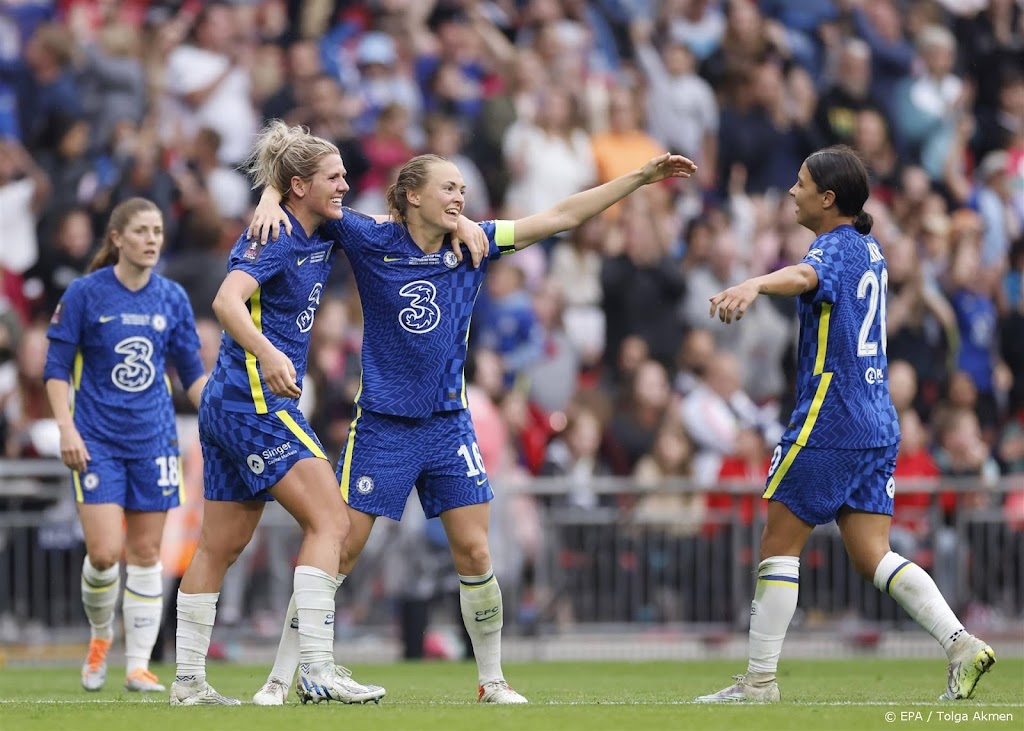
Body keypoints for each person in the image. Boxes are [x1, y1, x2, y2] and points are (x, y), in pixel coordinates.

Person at [247, 144, 696, 704]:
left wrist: (639, 176)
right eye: (448, 188)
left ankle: (492, 680)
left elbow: (560, 217)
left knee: (476, 555)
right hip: (383, 427)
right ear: (412, 196)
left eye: (463, 188)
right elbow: (308, 190)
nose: (461, 196)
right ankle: (281, 677)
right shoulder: (367, 237)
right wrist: (268, 192)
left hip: (448, 426)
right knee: (337, 553)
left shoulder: (475, 245)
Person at [170, 122, 485, 707]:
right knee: (332, 523)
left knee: (220, 546)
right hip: (255, 402)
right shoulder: (279, 235)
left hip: (229, 404)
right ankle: (317, 669)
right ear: (300, 185)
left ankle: (187, 683)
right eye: (334, 177)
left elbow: (391, 223)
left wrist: (460, 217)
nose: (346, 185)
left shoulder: (316, 227)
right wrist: (265, 353)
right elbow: (224, 300)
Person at [695, 145, 996, 704]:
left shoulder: (832, 247)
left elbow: (807, 275)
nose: (791, 190)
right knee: (871, 553)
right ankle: (960, 644)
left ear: (827, 199)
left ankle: (759, 682)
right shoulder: (871, 248)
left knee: (778, 544)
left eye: (801, 182)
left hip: (830, 417)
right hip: (877, 419)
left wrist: (755, 283)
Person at [43, 197, 208, 694]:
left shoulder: (172, 297)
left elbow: (192, 374)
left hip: (154, 440)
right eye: (142, 231)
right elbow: (54, 370)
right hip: (96, 440)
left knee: (145, 552)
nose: (153, 239)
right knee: (104, 552)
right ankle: (99, 640)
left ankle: (138, 665)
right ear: (117, 237)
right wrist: (66, 429)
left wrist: (219, 418)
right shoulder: (84, 294)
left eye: (158, 230)